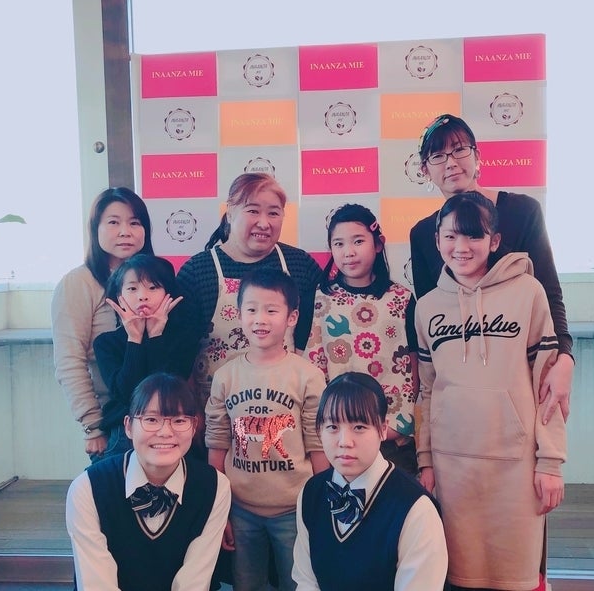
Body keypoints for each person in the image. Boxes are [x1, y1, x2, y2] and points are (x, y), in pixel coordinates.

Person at [415, 192, 566, 590]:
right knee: (459, 578)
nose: (461, 247)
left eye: (474, 236)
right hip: (452, 468)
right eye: (451, 236)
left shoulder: (528, 293)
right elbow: (427, 390)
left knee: (516, 578)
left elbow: (547, 385)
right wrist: (425, 459)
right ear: (437, 240)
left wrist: (551, 461)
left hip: (515, 466)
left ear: (495, 241)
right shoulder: (426, 307)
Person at [409, 114, 573, 425]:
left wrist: (565, 356)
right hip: (460, 398)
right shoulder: (422, 234)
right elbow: (432, 319)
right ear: (425, 169)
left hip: (519, 383)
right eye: (438, 155)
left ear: (477, 156)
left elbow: (549, 294)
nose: (451, 163)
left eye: (459, 149)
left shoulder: (523, 211)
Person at [206, 268, 329, 591]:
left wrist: (320, 504)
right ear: (239, 314)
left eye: (271, 310)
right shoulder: (225, 377)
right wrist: (219, 509)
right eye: (251, 309)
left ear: (292, 317)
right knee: (246, 584)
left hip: (294, 508)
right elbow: (217, 442)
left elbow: (318, 444)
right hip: (240, 509)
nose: (260, 319)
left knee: (297, 582)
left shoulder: (308, 376)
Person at [176, 172, 323, 418]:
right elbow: (180, 353)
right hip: (218, 417)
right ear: (230, 213)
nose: (264, 223)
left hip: (289, 416)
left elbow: (317, 334)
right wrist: (194, 415)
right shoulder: (198, 271)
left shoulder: (299, 265)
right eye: (253, 211)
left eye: (273, 213)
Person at [66, 372, 231, 591]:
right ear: (128, 426)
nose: (165, 432)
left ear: (194, 427)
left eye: (179, 420)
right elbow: (97, 585)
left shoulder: (214, 486)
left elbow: (194, 581)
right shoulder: (88, 487)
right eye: (151, 420)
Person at [292, 372, 448, 591]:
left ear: (383, 429)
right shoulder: (312, 492)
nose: (344, 442)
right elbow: (306, 581)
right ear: (319, 431)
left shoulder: (416, 507)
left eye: (359, 427)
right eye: (333, 427)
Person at [302, 204, 419, 476]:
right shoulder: (316, 300)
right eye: (339, 243)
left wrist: (394, 427)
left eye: (358, 241)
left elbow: (414, 370)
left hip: (390, 438)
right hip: (335, 441)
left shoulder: (402, 300)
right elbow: (303, 365)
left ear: (378, 244)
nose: (348, 252)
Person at [52, 187, 154, 461]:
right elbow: (69, 360)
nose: (125, 231)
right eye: (113, 222)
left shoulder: (156, 278)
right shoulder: (79, 283)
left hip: (159, 418)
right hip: (111, 423)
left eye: (135, 222)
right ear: (95, 229)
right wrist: (92, 426)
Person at [93, 254, 196, 458]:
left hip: (171, 430)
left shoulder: (185, 338)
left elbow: (166, 392)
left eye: (153, 287)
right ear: (119, 296)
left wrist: (156, 336)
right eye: (132, 289)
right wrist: (134, 339)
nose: (142, 296)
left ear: (168, 294)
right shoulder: (106, 343)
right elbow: (127, 395)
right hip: (123, 433)